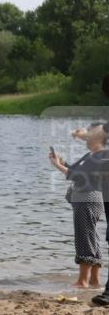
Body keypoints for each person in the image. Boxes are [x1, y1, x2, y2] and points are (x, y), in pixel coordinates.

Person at [50, 122, 109, 288]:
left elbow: (79, 177)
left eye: (91, 131)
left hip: (88, 200)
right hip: (88, 199)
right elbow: (74, 170)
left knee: (84, 238)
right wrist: (62, 162)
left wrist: (58, 166)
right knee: (91, 237)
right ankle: (94, 281)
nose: (87, 135)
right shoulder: (92, 154)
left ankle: (82, 281)